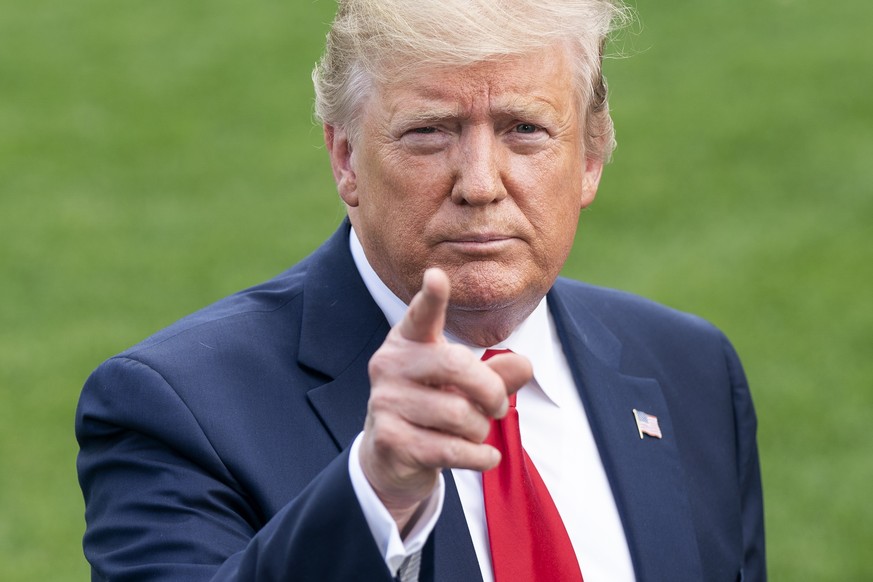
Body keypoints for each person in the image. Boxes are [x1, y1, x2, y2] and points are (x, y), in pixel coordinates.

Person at [75, 0, 766, 580]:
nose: (479, 184)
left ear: (589, 157)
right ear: (345, 158)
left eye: (523, 130)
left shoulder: (691, 370)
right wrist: (376, 493)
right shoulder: (174, 407)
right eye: (429, 133)